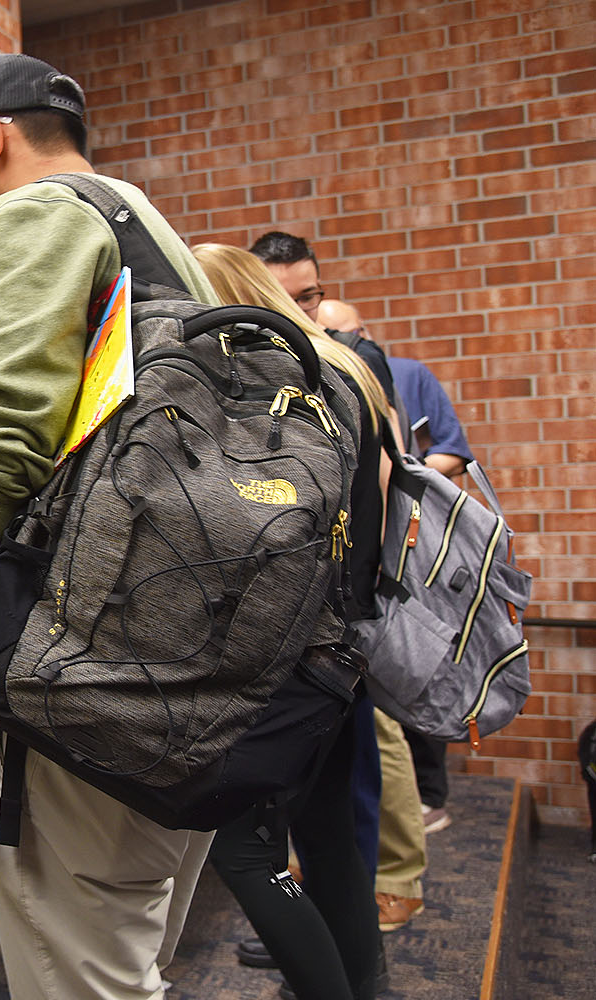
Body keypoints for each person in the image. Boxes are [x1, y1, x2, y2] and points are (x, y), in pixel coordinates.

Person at [0, 53, 218, 1000]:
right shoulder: (145, 228)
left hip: (97, 672)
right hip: (196, 657)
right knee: (127, 956)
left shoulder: (30, 216)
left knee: (82, 976)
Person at [195, 244, 393, 1000]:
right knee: (328, 839)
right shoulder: (343, 369)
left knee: (246, 855)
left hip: (281, 652)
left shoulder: (267, 383)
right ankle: (368, 988)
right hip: (344, 644)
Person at [319, 296, 469, 837]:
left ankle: (428, 807)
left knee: (413, 675)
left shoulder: (403, 373)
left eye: (351, 331)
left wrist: (404, 483)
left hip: (404, 549)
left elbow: (451, 450)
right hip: (355, 563)